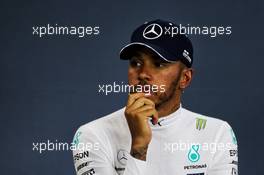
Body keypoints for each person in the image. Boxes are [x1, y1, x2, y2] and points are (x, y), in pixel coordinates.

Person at [72, 19, 238, 175]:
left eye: (159, 64)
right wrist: (139, 147)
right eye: (136, 63)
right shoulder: (91, 135)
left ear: (185, 78)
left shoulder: (217, 134)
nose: (143, 73)